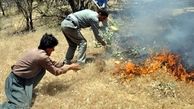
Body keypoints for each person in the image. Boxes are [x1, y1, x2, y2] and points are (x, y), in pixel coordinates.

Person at [0, 33, 80, 109]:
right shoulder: (41, 57)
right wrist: (70, 67)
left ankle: (23, 92)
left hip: (23, 80)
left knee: (42, 70)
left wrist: (65, 63)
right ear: (48, 48)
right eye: (52, 48)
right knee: (23, 106)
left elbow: (52, 63)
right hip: (15, 82)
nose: (53, 50)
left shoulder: (38, 52)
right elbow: (56, 72)